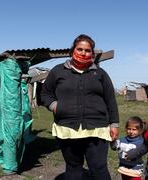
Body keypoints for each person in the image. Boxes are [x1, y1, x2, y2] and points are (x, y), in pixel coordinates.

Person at [41, 34, 119, 180]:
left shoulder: (100, 73)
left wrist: (114, 124)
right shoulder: (58, 71)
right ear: (73, 51)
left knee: (99, 168)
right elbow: (45, 93)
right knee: (73, 168)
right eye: (80, 49)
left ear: (92, 53)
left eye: (87, 50)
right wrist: (55, 106)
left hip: (97, 129)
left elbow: (110, 100)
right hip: (67, 129)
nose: (83, 53)